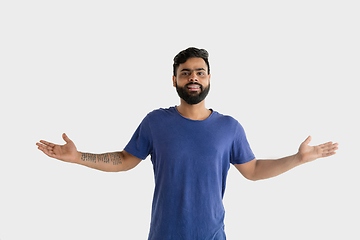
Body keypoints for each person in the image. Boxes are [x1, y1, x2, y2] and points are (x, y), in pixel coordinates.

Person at [36, 47, 339, 239]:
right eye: (185, 73)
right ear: (174, 80)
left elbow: (254, 169)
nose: (193, 77)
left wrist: (297, 159)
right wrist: (79, 157)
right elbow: (126, 160)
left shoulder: (229, 127)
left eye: (199, 72)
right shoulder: (156, 122)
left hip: (211, 235)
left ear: (209, 78)